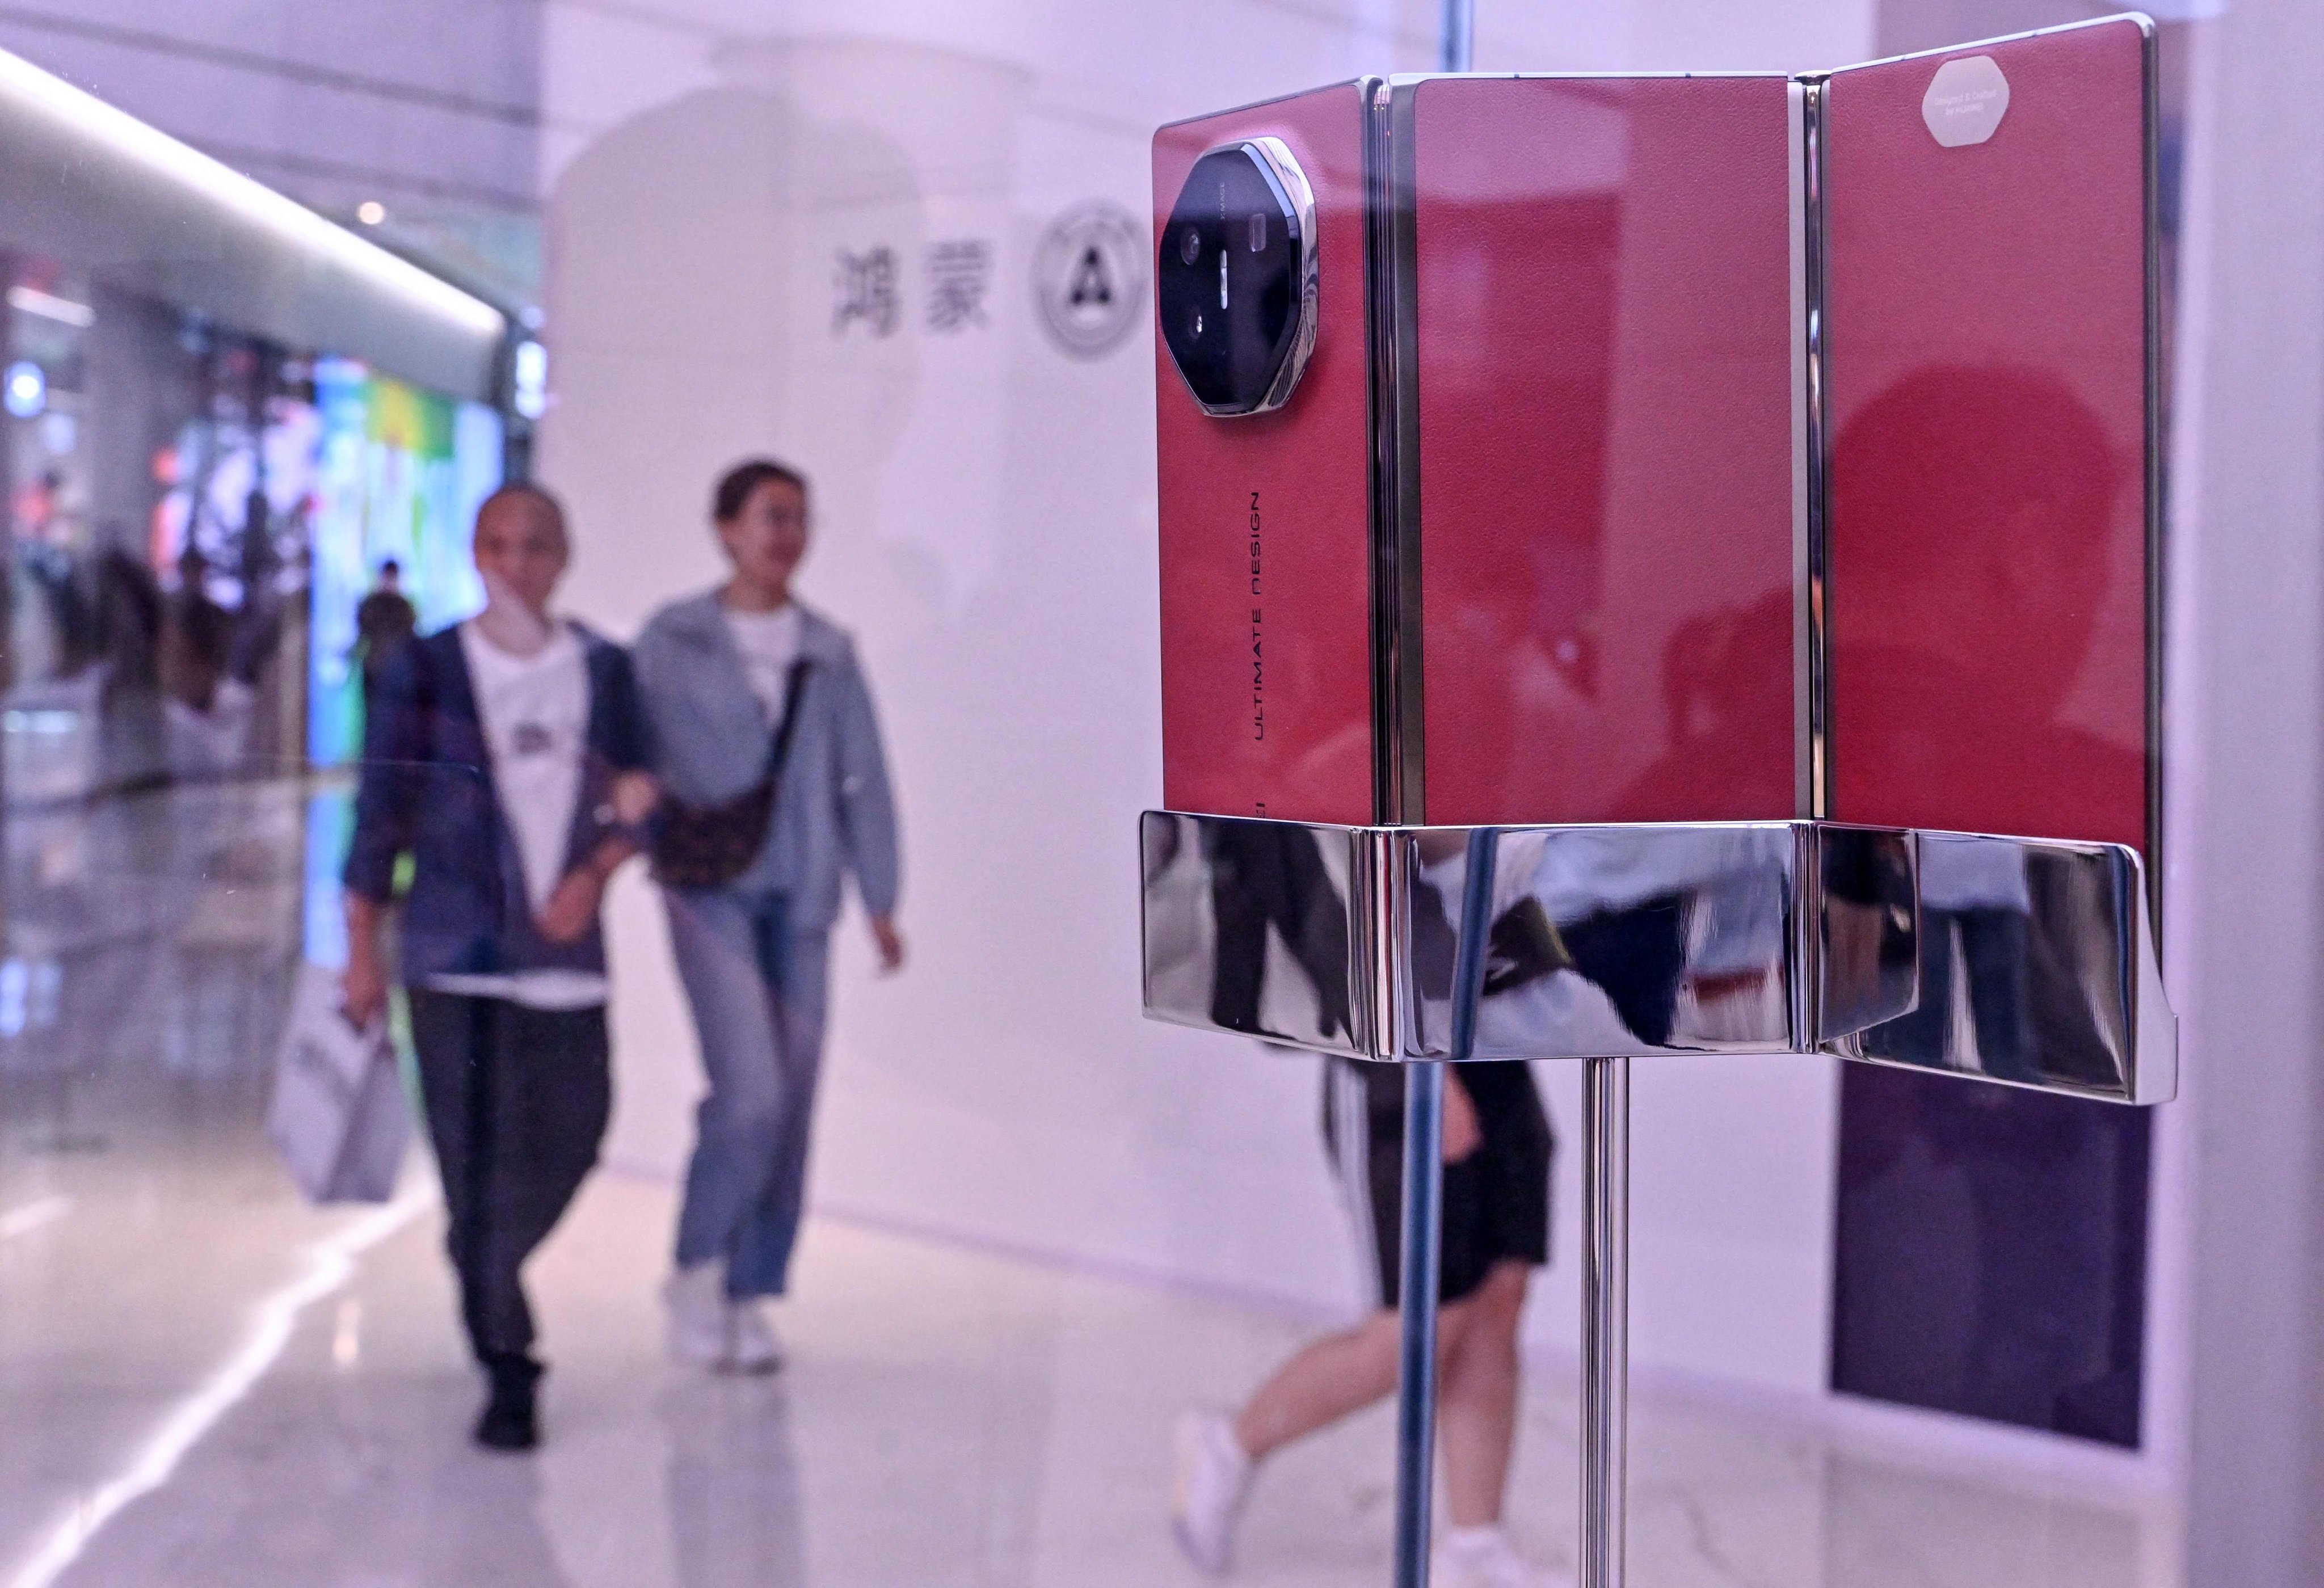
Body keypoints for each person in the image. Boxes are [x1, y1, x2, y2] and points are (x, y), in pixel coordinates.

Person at [342, 483, 655, 1452]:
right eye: (499, 545)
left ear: (563, 556)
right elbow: (379, 815)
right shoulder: (427, 669)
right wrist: (362, 953)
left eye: (537, 546)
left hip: (565, 958)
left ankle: (481, 1260)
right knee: (473, 1164)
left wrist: (597, 871)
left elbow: (643, 795)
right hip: (451, 955)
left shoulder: (605, 668)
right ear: (476, 553)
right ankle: (509, 1362)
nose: (517, 563)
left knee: (574, 1131)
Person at [633, 457, 902, 1374]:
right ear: (726, 528)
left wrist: (883, 895)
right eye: (769, 516)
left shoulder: (827, 647)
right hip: (709, 890)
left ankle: (750, 1287)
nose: (786, 534)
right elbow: (631, 749)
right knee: (747, 1090)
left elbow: (863, 776)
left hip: (806, 890)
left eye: (799, 517)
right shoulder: (672, 638)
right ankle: (695, 1264)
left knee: (790, 1103)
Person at [1173, 1053, 1566, 1588]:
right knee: (1413, 1334)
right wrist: (1424, 1078)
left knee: (1499, 1296)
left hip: (1498, 1047)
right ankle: (1227, 1447)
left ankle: (1475, 1547)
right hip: (1399, 1062)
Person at [353, 557, 418, 709]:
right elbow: (362, 634)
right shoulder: (370, 604)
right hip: (373, 669)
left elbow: (411, 639)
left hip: (397, 671)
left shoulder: (403, 607)